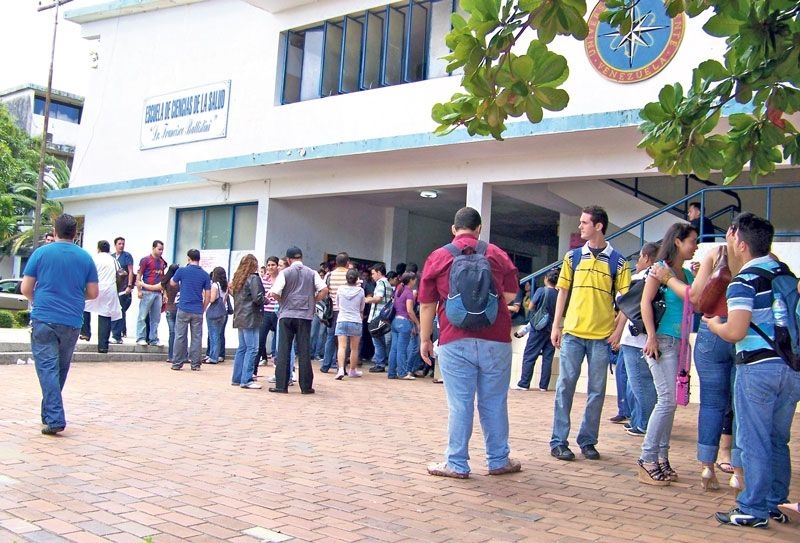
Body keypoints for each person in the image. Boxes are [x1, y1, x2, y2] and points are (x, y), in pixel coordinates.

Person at [706, 213, 800, 528]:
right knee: (777, 439)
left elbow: (736, 330)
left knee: (753, 439)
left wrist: (715, 326)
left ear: (741, 243)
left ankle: (752, 508)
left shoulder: (744, 281)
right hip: (791, 368)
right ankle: (775, 502)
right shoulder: (786, 275)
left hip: (758, 369)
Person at [419, 206, 521, 478]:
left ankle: (456, 463)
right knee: (494, 401)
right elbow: (510, 295)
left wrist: (425, 338)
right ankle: (498, 460)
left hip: (454, 339)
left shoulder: (439, 256)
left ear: (454, 229)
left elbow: (427, 304)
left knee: (460, 404)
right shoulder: (496, 253)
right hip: (496, 338)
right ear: (479, 229)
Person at [549, 205, 630, 462]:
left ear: (598, 226)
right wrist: (556, 325)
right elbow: (562, 291)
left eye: (584, 222)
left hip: (601, 337)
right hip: (573, 332)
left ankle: (588, 441)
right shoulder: (572, 257)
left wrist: (618, 330)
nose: (580, 226)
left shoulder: (619, 262)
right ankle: (558, 441)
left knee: (597, 391)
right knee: (565, 387)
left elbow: (627, 301)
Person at [21, 214, 98, 435]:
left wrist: (38, 300)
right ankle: (48, 414)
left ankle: (54, 417)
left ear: (55, 231)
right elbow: (93, 292)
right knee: (59, 370)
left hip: (44, 318)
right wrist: (74, 296)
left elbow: (25, 288)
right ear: (75, 234)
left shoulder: (41, 253)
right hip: (72, 321)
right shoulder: (85, 258)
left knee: (47, 369)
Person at [637, 223, 698, 485]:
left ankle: (661, 457)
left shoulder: (686, 274)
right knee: (667, 401)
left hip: (680, 343)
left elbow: (695, 302)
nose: (695, 246)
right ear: (677, 242)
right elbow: (645, 302)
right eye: (692, 241)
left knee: (670, 402)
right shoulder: (659, 270)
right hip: (662, 341)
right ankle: (647, 457)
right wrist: (651, 336)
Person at [687, 242, 740, 491]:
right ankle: (738, 470)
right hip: (743, 331)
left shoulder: (716, 253)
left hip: (711, 329)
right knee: (741, 405)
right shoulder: (762, 255)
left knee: (710, 403)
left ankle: (707, 466)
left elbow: (695, 298)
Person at [269, 246, 328, 395]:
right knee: (304, 351)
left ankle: (281, 385)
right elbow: (324, 290)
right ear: (301, 258)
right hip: (305, 316)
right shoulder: (312, 273)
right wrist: (313, 300)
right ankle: (306, 386)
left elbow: (274, 293)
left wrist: (283, 301)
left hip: (287, 315)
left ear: (288, 260)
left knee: (284, 350)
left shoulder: (285, 273)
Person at [616, 242, 659, 437]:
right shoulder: (663, 277)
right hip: (649, 336)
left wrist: (616, 332)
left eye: (640, 257)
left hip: (635, 339)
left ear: (646, 258)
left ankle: (645, 423)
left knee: (639, 383)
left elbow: (623, 306)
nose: (637, 262)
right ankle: (638, 420)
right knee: (644, 383)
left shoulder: (638, 279)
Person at [512, 269, 558, 391]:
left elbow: (531, 306)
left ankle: (524, 383)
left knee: (529, 355)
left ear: (546, 279)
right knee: (548, 358)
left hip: (538, 328)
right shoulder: (559, 294)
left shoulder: (541, 290)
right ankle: (543, 386)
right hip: (552, 328)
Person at [170, 249, 211, 371]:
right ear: (199, 259)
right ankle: (195, 364)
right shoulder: (205, 274)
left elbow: (172, 283)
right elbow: (208, 295)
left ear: (188, 258)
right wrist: (203, 308)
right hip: (197, 309)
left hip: (183, 307)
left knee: (180, 336)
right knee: (196, 338)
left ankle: (177, 363)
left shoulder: (182, 271)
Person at [230, 255, 265, 389]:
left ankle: (237, 378)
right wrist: (266, 300)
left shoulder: (238, 279)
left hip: (240, 316)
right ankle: (246, 379)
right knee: (252, 348)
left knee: (242, 348)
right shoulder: (253, 278)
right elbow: (257, 297)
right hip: (251, 316)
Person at [81, 240, 122, 354]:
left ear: (98, 248)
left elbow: (86, 273)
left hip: (95, 287)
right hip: (109, 289)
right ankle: (103, 346)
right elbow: (120, 273)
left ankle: (85, 332)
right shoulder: (113, 260)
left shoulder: (94, 258)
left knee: (84, 306)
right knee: (105, 315)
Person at [321, 252, 351, 373]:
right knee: (344, 340)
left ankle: (326, 365)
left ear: (336, 263)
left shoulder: (329, 275)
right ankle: (341, 367)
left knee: (330, 337)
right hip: (347, 311)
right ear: (347, 263)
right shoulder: (351, 275)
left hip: (332, 311)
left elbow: (324, 290)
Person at [387, 272, 420, 380]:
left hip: (395, 321)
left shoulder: (398, 290)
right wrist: (417, 323)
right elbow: (410, 310)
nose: (415, 281)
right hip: (404, 322)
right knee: (402, 349)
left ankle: (391, 372)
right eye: (414, 279)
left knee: (394, 349)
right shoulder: (408, 293)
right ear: (411, 280)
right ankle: (402, 372)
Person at [335, 268, 366, 379]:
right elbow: (362, 307)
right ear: (357, 279)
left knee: (341, 347)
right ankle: (352, 370)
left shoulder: (340, 289)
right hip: (355, 320)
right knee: (354, 348)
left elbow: (337, 303)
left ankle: (340, 369)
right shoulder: (360, 291)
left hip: (342, 319)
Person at [135, 240, 167, 346]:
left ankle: (153, 338)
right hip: (147, 291)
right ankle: (140, 337)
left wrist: (164, 293)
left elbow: (163, 279)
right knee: (142, 316)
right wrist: (139, 290)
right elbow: (139, 275)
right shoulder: (145, 260)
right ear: (153, 248)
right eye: (159, 249)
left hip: (158, 292)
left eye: (162, 249)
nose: (161, 251)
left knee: (156, 318)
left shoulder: (162, 262)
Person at [365, 263, 391, 372]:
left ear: (379, 273)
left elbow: (378, 298)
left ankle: (379, 363)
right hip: (383, 317)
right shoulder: (387, 283)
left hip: (377, 316)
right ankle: (381, 361)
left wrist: (367, 300)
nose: (372, 276)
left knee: (377, 341)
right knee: (380, 340)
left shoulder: (381, 283)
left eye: (373, 273)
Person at [111, 236, 134, 342]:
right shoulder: (112, 257)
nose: (121, 246)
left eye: (123, 244)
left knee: (121, 309)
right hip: (113, 287)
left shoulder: (127, 256)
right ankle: (115, 331)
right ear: (115, 245)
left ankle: (120, 332)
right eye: (119, 244)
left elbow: (130, 271)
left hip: (124, 287)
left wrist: (129, 285)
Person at [204, 266, 229, 365]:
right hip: (222, 312)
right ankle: (217, 355)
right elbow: (224, 300)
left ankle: (213, 356)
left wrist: (205, 294)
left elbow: (212, 299)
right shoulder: (225, 286)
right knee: (218, 335)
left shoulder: (215, 285)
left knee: (213, 335)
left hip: (213, 313)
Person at [161, 264, 180, 364]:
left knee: (172, 333)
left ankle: (171, 355)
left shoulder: (166, 282)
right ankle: (179, 355)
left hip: (169, 308)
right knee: (179, 333)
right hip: (178, 309)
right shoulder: (178, 283)